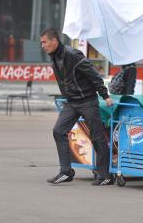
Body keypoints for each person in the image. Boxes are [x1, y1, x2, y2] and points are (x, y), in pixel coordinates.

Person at [40, 28, 114, 186]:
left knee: (97, 136)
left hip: (87, 100)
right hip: (72, 102)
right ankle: (66, 172)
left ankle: (105, 175)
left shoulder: (73, 54)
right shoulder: (54, 56)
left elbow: (94, 75)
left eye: (44, 42)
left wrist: (105, 95)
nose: (43, 46)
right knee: (58, 131)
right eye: (42, 43)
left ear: (54, 41)